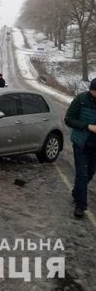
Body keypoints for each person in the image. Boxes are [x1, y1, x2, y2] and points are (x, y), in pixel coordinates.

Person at [64, 78, 96, 219]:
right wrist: (87, 126)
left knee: (89, 173)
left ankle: (77, 191)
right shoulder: (81, 99)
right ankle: (81, 206)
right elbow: (68, 119)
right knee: (82, 174)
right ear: (91, 90)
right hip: (81, 143)